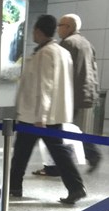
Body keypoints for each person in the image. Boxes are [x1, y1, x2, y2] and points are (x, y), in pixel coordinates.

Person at [0, 14, 86, 204]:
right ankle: (16, 186)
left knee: (26, 152)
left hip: (37, 117)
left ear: (38, 30)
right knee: (37, 152)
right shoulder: (60, 51)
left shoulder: (46, 53)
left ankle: (74, 187)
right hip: (49, 116)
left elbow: (44, 86)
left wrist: (40, 117)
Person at [32, 13, 102, 176]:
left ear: (69, 27)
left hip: (70, 97)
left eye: (60, 26)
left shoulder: (67, 44)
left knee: (59, 131)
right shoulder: (86, 43)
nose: (58, 29)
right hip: (84, 93)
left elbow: (60, 74)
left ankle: (69, 162)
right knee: (69, 130)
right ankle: (84, 156)